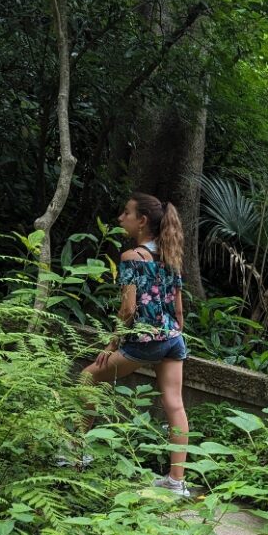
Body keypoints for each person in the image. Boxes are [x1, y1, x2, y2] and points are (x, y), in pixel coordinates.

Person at [83, 192, 190, 496]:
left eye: (126, 213)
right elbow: (179, 306)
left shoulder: (132, 257)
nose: (120, 218)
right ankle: (176, 481)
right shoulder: (170, 254)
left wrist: (112, 344)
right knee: (175, 404)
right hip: (173, 339)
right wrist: (174, 330)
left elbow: (128, 309)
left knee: (88, 376)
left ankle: (76, 451)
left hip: (145, 339)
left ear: (142, 221)